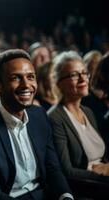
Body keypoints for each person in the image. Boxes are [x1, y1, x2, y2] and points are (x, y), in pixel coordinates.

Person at [0, 49, 73, 200]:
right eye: (16, 78)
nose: (26, 85)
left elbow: (52, 168)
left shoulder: (40, 115)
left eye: (30, 77)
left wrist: (66, 196)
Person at [48, 51, 109, 198]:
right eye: (74, 75)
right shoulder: (54, 117)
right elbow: (66, 170)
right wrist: (104, 175)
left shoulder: (88, 112)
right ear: (59, 84)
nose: (83, 79)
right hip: (86, 187)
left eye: (84, 73)